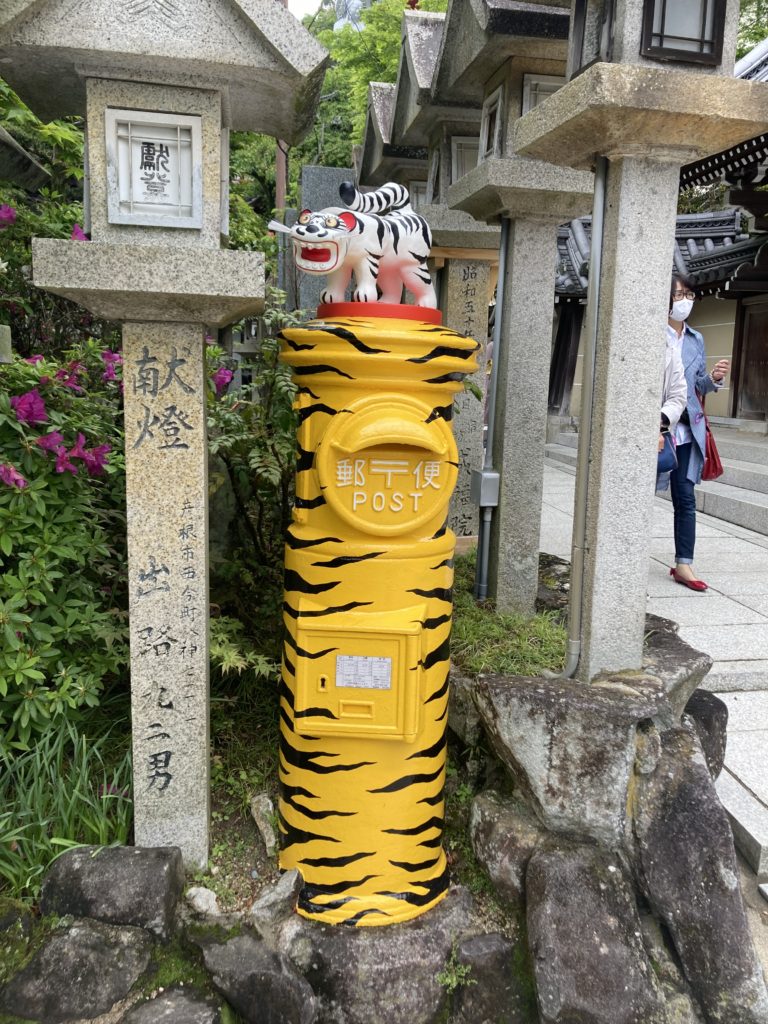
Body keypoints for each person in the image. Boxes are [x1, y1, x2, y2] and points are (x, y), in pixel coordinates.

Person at [661, 274, 730, 592]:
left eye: (689, 294)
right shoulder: (652, 334)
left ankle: (683, 564)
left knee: (685, 498)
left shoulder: (695, 339)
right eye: (679, 294)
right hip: (656, 427)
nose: (685, 300)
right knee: (636, 494)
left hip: (688, 430)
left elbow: (697, 386)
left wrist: (713, 378)